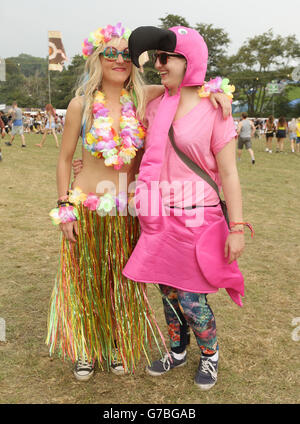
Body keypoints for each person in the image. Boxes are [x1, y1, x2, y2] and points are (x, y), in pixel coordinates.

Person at [50, 22, 232, 383]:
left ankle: (116, 345)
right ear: (97, 59)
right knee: (86, 284)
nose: (119, 59)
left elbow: (186, 85)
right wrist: (64, 207)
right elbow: (62, 159)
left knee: (122, 285)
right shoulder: (80, 105)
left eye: (126, 54)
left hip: (129, 214)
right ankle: (87, 349)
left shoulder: (143, 98)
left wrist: (217, 92)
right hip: (88, 210)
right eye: (110, 53)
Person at [123, 25, 253, 391]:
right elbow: (128, 93)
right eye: (157, 59)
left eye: (166, 58)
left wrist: (238, 228)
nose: (159, 65)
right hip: (160, 218)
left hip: (199, 218)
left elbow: (229, 173)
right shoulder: (153, 103)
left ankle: (209, 355)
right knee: (167, 293)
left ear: (190, 60)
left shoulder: (216, 110)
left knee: (193, 299)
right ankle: (177, 351)